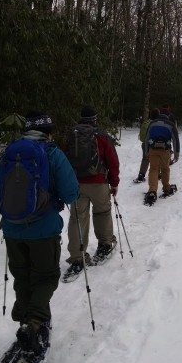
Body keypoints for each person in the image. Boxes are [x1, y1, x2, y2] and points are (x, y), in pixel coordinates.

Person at [0, 111, 79, 363]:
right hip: (44, 230)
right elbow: (71, 193)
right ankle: (35, 323)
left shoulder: (11, 154)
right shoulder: (52, 154)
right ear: (48, 132)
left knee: (23, 275)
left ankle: (26, 319)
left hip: (13, 230)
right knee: (46, 276)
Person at [65, 105, 120, 272]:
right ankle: (104, 245)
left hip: (77, 184)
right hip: (98, 182)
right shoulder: (102, 136)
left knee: (77, 219)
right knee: (102, 212)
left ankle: (76, 257)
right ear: (95, 119)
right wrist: (114, 182)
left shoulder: (71, 135)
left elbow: (64, 160)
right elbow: (113, 161)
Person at [143, 109, 180, 205]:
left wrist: (146, 151)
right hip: (165, 151)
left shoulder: (152, 123)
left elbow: (146, 138)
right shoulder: (170, 125)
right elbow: (176, 140)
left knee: (153, 169)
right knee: (165, 169)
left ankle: (152, 191)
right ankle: (167, 189)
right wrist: (176, 154)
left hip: (153, 149)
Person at [133, 111, 153, 183]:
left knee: (145, 159)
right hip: (153, 144)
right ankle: (157, 175)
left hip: (144, 143)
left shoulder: (146, 122)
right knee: (157, 159)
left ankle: (141, 175)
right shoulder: (156, 123)